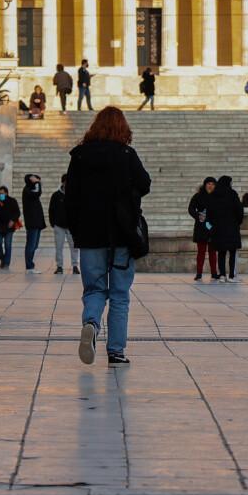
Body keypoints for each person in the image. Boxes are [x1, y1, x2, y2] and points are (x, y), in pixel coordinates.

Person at [61, 107, 152, 366]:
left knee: (94, 289)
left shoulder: (79, 156)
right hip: (122, 235)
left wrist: (76, 229)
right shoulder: (126, 154)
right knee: (120, 294)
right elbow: (145, 184)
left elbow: (71, 198)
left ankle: (91, 322)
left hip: (90, 236)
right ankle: (116, 351)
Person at [210, 171, 245, 280]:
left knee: (221, 252)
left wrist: (213, 225)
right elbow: (239, 210)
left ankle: (222, 275)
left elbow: (210, 212)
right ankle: (231, 275)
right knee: (232, 252)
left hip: (219, 228)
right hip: (232, 227)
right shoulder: (233, 194)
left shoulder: (215, 195)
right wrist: (237, 222)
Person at [49, 177, 77, 275]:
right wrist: (53, 223)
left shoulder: (74, 195)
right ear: (62, 183)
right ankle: (59, 266)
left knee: (74, 247)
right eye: (66, 182)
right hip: (59, 226)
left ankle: (75, 266)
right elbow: (51, 210)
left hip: (71, 226)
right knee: (59, 247)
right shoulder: (56, 195)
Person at [21, 173, 47, 271]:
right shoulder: (27, 190)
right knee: (31, 245)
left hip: (37, 222)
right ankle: (29, 266)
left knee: (34, 245)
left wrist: (37, 182)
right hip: (32, 222)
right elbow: (37, 192)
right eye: (35, 178)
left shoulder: (31, 190)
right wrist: (37, 183)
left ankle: (30, 264)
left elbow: (37, 192)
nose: (37, 180)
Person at [0, 185, 20, 269]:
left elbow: (17, 212)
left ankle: (6, 263)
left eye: (2, 193)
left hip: (9, 227)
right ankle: (3, 259)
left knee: (8, 245)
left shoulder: (12, 201)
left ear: (6, 193)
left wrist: (13, 220)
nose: (1, 195)